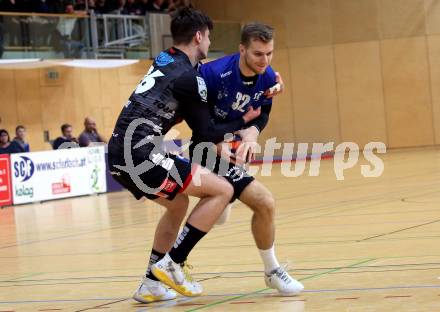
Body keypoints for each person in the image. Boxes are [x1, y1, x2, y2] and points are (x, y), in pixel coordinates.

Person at [107, 8, 261, 303]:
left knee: (177, 204)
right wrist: (244, 121)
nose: (208, 44)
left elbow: (176, 103)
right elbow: (208, 130)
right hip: (140, 152)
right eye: (208, 37)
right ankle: (172, 263)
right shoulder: (188, 77)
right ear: (199, 36)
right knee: (222, 191)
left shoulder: (165, 59)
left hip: (118, 154)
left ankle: (151, 283)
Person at [189, 22, 304, 295]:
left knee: (262, 204)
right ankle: (172, 262)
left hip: (232, 149)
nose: (264, 60)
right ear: (242, 49)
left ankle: (272, 270)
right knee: (243, 206)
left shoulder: (268, 78)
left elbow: (262, 113)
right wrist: (216, 142)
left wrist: (251, 137)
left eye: (269, 53)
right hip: (206, 147)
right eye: (257, 54)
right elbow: (196, 118)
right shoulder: (213, 73)